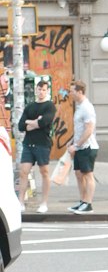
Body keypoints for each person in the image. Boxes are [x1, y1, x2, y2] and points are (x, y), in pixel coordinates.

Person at [17, 77, 55, 214]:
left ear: (47, 91)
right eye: (39, 89)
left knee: (44, 172)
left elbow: (44, 122)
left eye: (44, 90)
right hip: (28, 143)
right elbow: (21, 126)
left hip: (42, 144)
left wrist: (31, 123)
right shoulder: (30, 106)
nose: (41, 92)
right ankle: (20, 202)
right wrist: (34, 122)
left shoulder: (49, 106)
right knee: (23, 171)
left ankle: (44, 203)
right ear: (36, 90)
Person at [66, 80, 99, 215]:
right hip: (79, 146)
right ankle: (83, 201)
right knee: (79, 174)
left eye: (72, 91)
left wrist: (77, 145)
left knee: (88, 174)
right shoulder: (80, 106)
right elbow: (79, 129)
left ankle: (88, 204)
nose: (70, 94)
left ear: (80, 92)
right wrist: (72, 141)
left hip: (87, 147)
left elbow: (89, 129)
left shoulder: (87, 107)